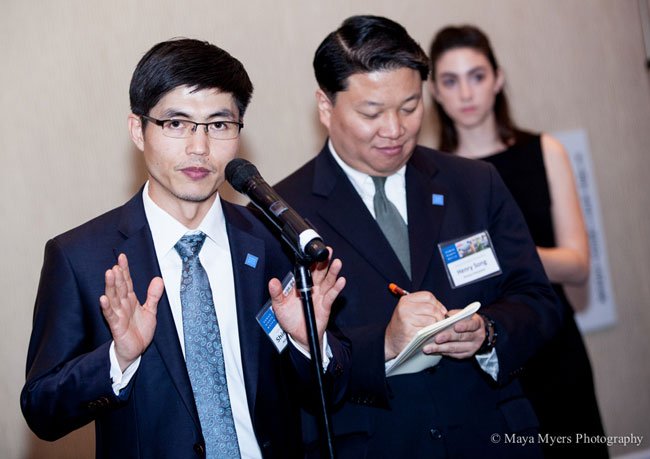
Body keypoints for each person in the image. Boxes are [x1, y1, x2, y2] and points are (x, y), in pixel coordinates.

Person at [20, 38, 347, 459]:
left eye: (219, 125)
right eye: (176, 123)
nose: (199, 148)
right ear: (138, 130)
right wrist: (117, 359)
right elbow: (42, 411)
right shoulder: (80, 257)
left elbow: (333, 393)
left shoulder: (274, 241)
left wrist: (308, 345)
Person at [273, 15, 562, 458]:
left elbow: (539, 301)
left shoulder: (474, 183)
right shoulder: (283, 214)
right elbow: (280, 364)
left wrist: (487, 332)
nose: (394, 129)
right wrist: (384, 345)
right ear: (326, 107)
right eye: (371, 113)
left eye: (409, 107)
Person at [429, 25, 608, 458]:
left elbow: (578, 263)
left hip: (551, 338)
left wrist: (500, 254)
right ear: (434, 91)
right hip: (482, 354)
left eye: (476, 76)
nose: (466, 93)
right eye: (450, 81)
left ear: (498, 79)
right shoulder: (433, 177)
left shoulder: (544, 151)